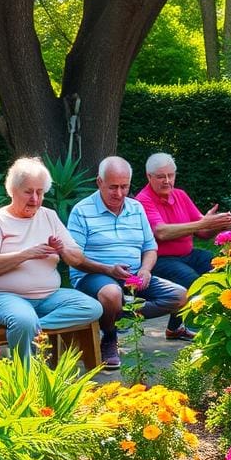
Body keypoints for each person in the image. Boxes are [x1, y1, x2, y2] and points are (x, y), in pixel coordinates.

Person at [0, 158, 102, 365]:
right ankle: (26, 378)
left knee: (92, 307)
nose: (35, 198)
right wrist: (27, 253)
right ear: (13, 190)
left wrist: (62, 249)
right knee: (23, 320)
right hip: (3, 297)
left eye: (40, 192)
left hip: (49, 297)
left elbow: (77, 258)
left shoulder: (49, 216)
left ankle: (35, 331)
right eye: (28, 192)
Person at [67, 156, 186, 370]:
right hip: (93, 276)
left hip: (132, 276)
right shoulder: (81, 211)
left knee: (179, 296)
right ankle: (110, 338)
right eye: (113, 187)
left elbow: (150, 248)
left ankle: (116, 316)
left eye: (124, 187)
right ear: (99, 182)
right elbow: (74, 258)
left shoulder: (136, 208)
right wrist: (107, 269)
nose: (120, 193)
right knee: (111, 294)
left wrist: (145, 269)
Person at [134, 152, 231, 340]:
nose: (167, 181)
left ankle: (176, 329)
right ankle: (206, 332)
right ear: (149, 177)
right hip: (158, 259)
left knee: (223, 267)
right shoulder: (143, 200)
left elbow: (202, 233)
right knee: (193, 282)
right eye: (161, 176)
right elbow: (161, 232)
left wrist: (218, 225)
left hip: (187, 254)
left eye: (170, 175)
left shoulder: (180, 195)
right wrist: (204, 223)